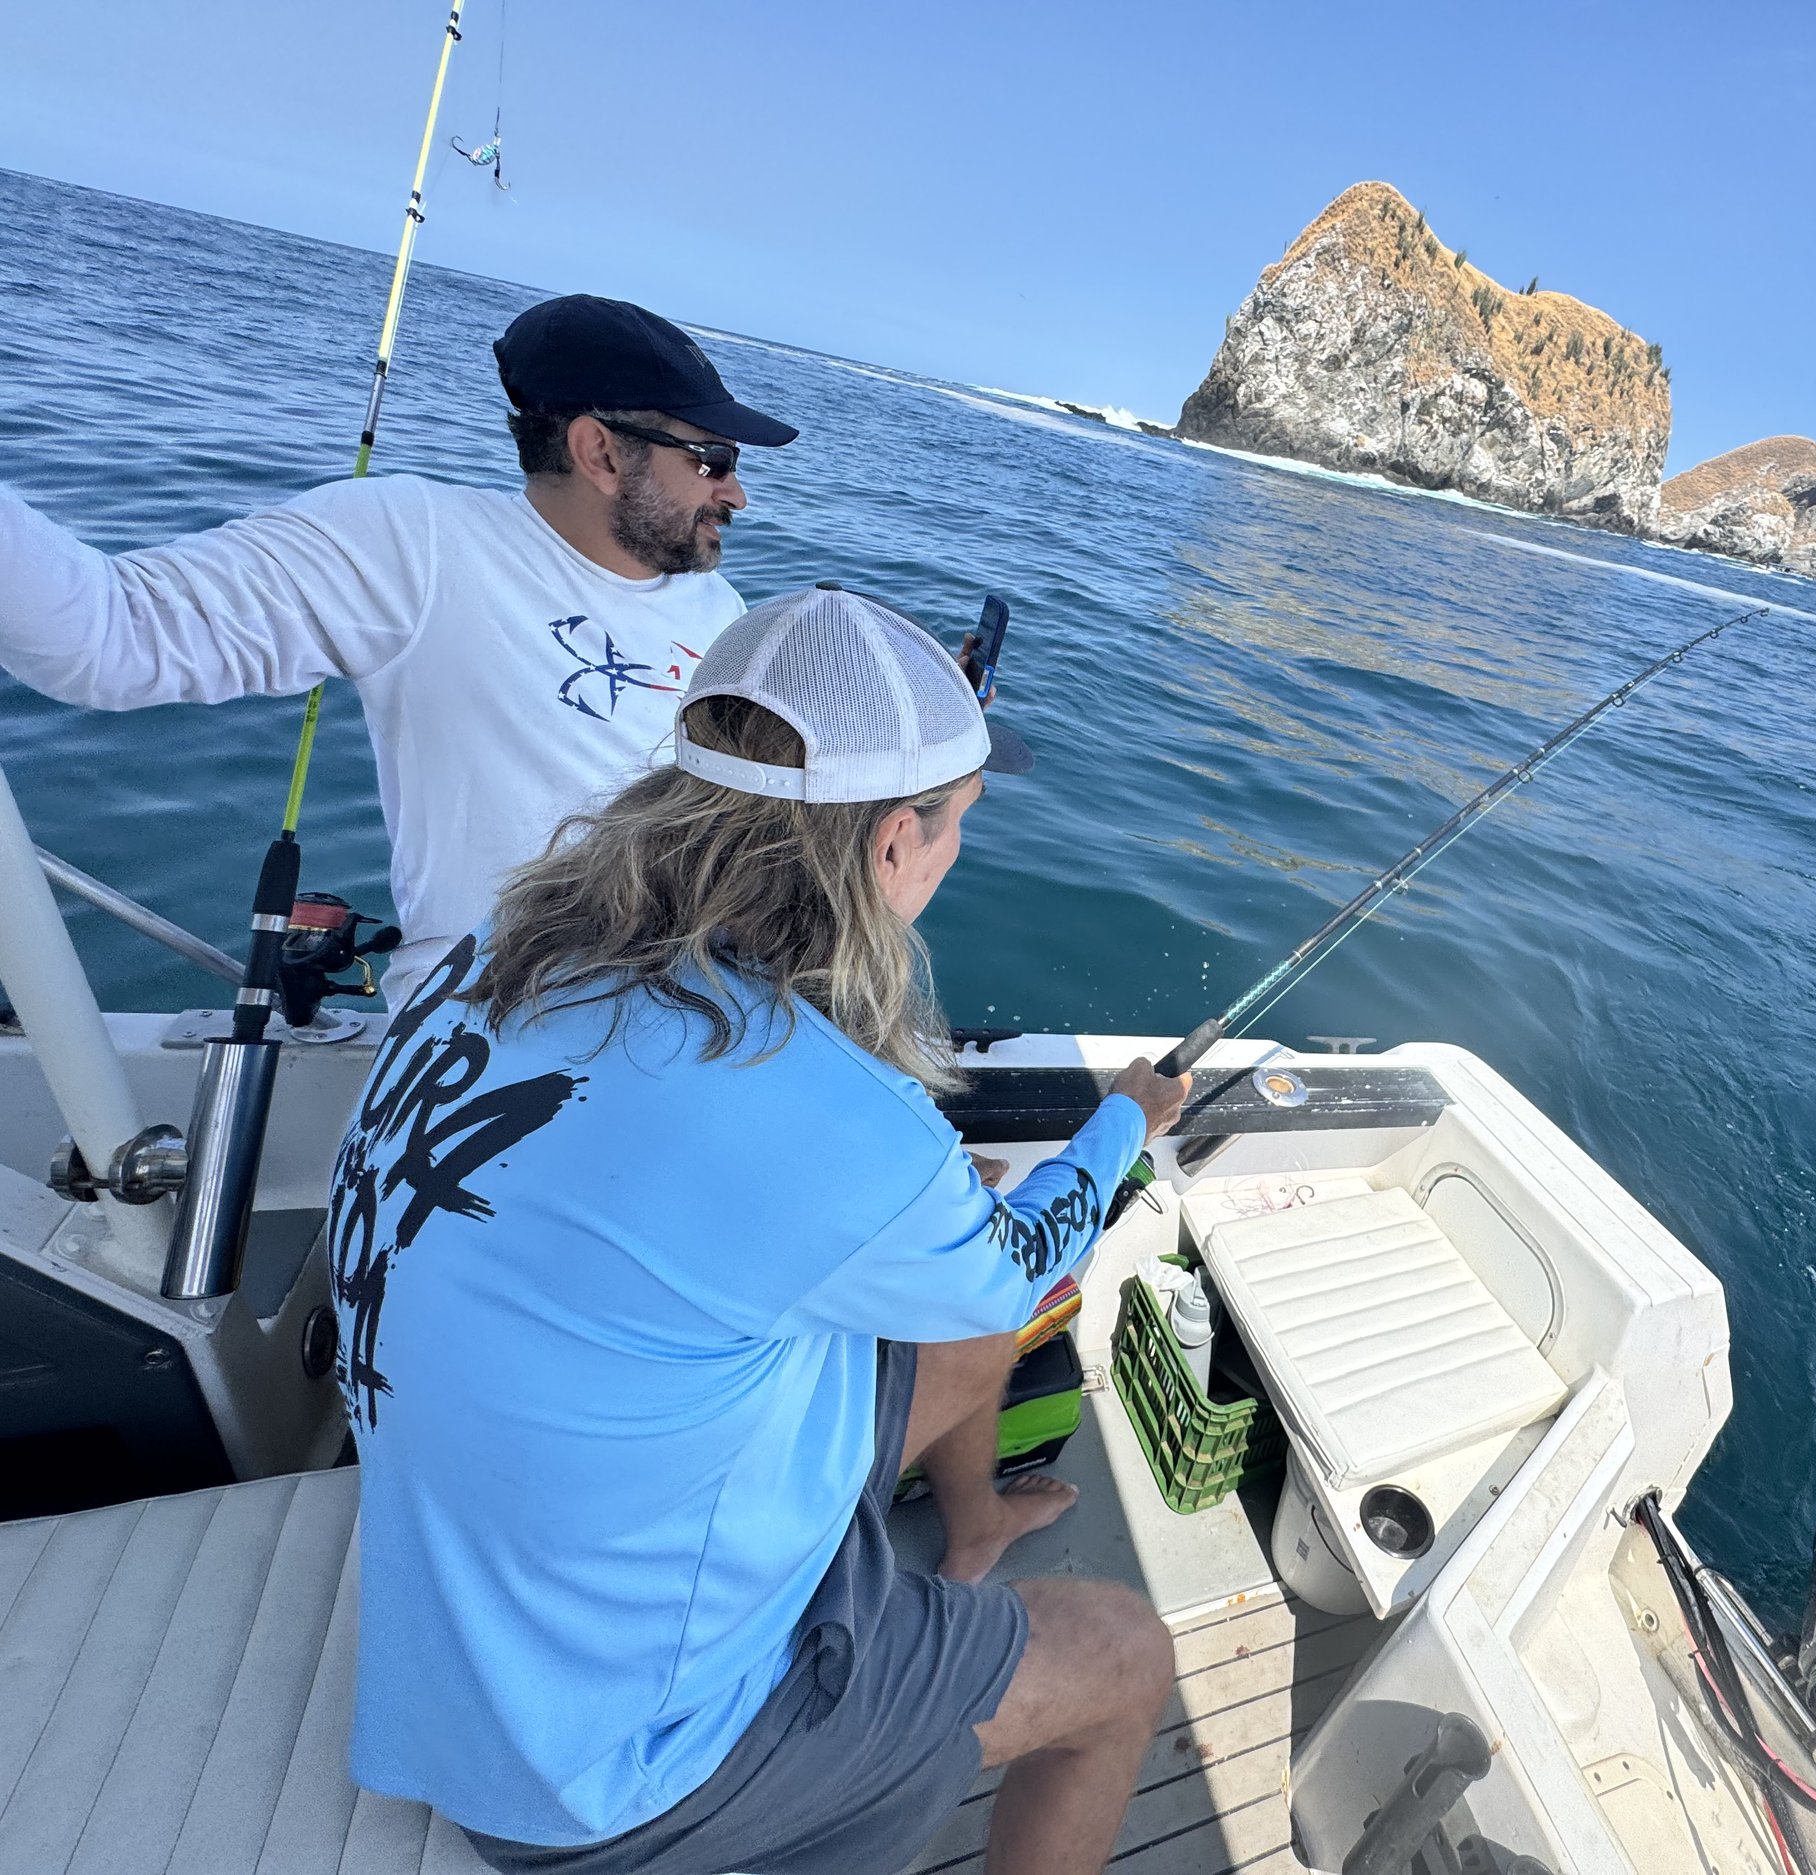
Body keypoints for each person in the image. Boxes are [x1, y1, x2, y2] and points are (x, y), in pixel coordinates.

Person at [325, 582, 1185, 1875]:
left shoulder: (499, 947)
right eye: (953, 823)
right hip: (598, 1768)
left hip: (461, 1626)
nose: (953, 850)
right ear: (894, 844)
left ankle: (971, 1531)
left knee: (933, 1318)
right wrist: (1122, 1123)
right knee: (1123, 1652)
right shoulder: (831, 1119)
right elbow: (1013, 1261)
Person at [0, 293, 797, 994]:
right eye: (711, 459)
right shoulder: (414, 542)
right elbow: (106, 635)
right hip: (491, 1032)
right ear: (601, 452)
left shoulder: (719, 608)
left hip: (686, 1007)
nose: (736, 492)